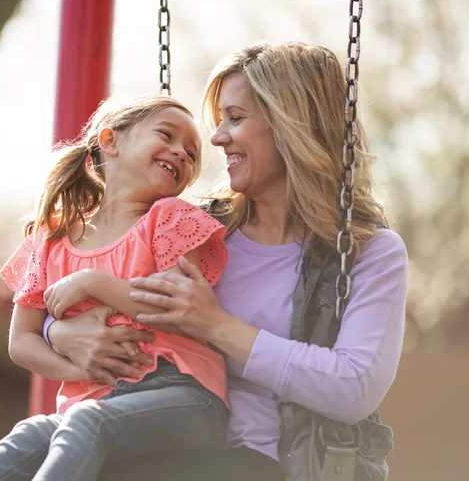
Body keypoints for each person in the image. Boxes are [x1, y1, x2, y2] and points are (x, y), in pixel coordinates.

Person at [41, 41, 409, 481]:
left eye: (235, 119)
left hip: (286, 464)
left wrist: (216, 325)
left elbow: (354, 386)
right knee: (35, 447)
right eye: (219, 122)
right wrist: (57, 331)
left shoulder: (366, 252)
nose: (216, 138)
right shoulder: (197, 231)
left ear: (291, 124)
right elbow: (102, 287)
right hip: (174, 447)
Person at [0, 95, 232, 481]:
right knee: (29, 434)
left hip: (184, 394)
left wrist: (95, 283)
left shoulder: (171, 220)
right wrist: (78, 366)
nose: (180, 153)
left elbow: (176, 311)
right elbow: (22, 341)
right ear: (110, 141)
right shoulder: (53, 237)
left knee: (86, 421)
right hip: (96, 399)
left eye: (191, 153)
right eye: (166, 135)